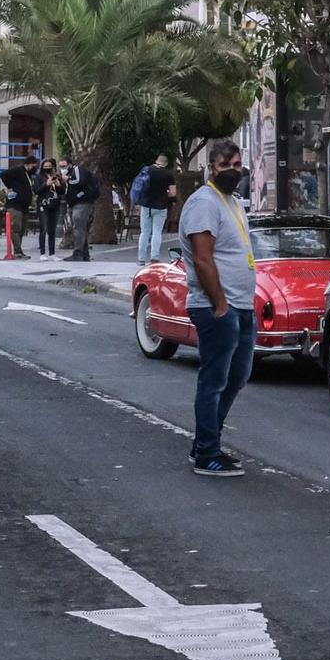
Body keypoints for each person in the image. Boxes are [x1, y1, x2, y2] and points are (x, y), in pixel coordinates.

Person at [180, 139, 257, 477]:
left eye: (237, 164)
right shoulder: (203, 203)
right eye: (225, 165)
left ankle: (205, 442)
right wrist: (221, 305)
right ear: (211, 168)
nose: (232, 171)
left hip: (241, 305)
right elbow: (202, 257)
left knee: (237, 377)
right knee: (214, 380)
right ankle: (207, 454)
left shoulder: (233, 202)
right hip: (217, 307)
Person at [134, 153, 176, 264]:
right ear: (166, 164)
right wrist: (166, 193)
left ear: (156, 161)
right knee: (157, 232)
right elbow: (173, 193)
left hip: (146, 206)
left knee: (144, 232)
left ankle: (141, 259)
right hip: (161, 206)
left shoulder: (147, 170)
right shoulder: (168, 175)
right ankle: (154, 257)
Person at [62, 159, 101, 262]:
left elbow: (80, 181)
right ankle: (84, 253)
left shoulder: (77, 170)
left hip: (82, 203)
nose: (62, 168)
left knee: (78, 228)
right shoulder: (72, 173)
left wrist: (68, 180)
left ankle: (78, 253)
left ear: (70, 164)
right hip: (78, 203)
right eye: (60, 166)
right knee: (81, 228)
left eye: (64, 165)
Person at [0, 158, 35, 260]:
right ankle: (17, 251)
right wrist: (9, 187)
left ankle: (18, 250)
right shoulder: (18, 170)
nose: (34, 168)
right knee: (16, 227)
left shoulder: (28, 174)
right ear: (28, 164)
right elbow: (3, 175)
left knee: (22, 229)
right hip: (15, 205)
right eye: (33, 165)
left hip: (24, 206)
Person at [32, 158, 63, 257]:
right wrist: (46, 184)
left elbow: (62, 192)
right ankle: (42, 253)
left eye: (49, 166)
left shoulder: (57, 176)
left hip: (55, 204)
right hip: (43, 204)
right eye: (45, 167)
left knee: (52, 230)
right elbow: (36, 191)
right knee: (43, 228)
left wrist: (58, 185)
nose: (48, 168)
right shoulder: (39, 177)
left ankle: (52, 253)